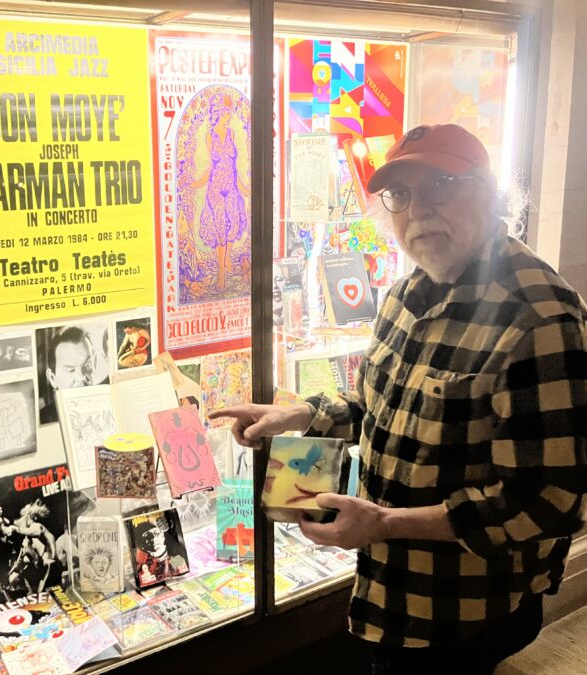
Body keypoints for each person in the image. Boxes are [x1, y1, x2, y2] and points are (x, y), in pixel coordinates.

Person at [210, 124, 587, 674]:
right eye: (401, 195)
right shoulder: (408, 290)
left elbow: (547, 503)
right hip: (390, 592)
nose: (419, 210)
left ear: (487, 191)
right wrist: (301, 413)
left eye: (440, 184)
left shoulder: (540, 317)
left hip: (464, 610)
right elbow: (375, 401)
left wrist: (384, 525)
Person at [192, 90, 250, 292]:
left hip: (232, 187)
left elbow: (234, 165)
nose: (230, 118)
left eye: (231, 114)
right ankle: (221, 275)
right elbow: (210, 166)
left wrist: (243, 187)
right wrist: (197, 183)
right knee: (220, 230)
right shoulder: (210, 136)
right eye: (227, 114)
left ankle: (225, 261)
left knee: (233, 225)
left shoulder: (232, 133)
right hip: (215, 188)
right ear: (219, 113)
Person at [40, 326, 97, 425]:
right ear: (52, 378)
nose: (81, 378)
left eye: (87, 366)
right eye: (70, 370)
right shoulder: (42, 420)